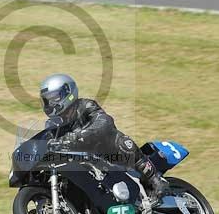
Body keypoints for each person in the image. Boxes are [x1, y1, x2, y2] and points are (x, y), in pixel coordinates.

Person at [39, 73, 168, 202]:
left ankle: (155, 179)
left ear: (68, 93)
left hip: (106, 152)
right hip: (82, 162)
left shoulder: (85, 106)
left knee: (122, 142)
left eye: (54, 98)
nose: (50, 104)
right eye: (47, 100)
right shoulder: (53, 124)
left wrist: (80, 135)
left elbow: (104, 122)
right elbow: (47, 143)